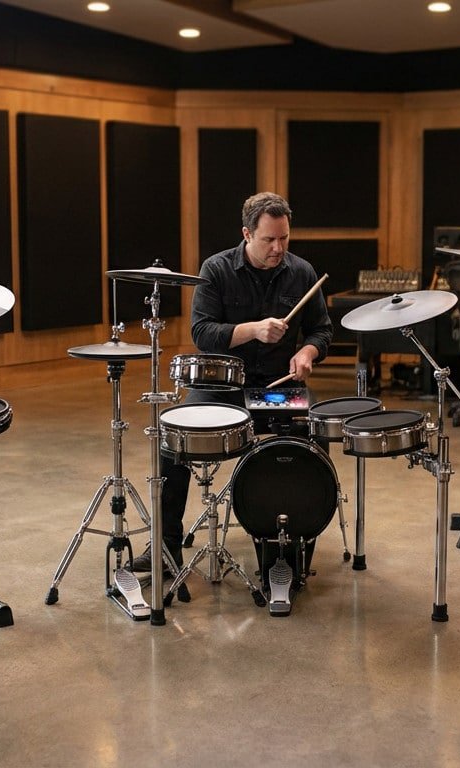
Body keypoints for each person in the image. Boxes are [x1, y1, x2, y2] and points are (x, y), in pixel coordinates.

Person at [133, 192, 333, 603]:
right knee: (175, 438)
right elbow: (203, 333)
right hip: (223, 386)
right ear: (246, 234)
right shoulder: (217, 269)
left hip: (280, 386)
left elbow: (321, 330)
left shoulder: (302, 272)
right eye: (268, 240)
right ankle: (167, 543)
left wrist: (307, 351)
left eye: (284, 239)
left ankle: (289, 548)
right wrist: (253, 330)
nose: (278, 249)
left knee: (312, 439)